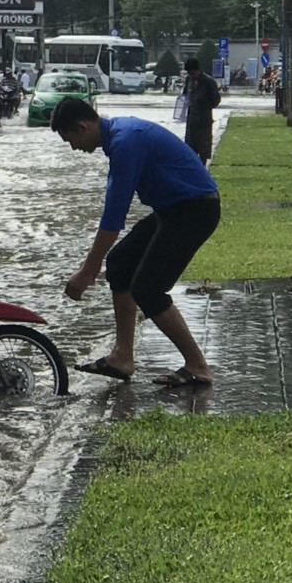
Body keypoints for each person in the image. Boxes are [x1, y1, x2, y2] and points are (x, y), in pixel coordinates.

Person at [51, 97, 220, 387]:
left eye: (71, 140)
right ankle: (122, 357)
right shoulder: (120, 134)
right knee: (120, 263)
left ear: (82, 127)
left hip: (194, 210)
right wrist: (94, 266)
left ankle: (198, 366)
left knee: (148, 289)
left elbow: (113, 217)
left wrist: (87, 271)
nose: (74, 148)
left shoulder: (125, 143)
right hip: (172, 210)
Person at [181, 58, 220, 165]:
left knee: (204, 150)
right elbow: (185, 96)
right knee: (189, 150)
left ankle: (202, 170)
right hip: (191, 121)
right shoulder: (189, 80)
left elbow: (216, 100)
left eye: (192, 73)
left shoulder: (209, 82)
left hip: (204, 121)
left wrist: (205, 105)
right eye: (189, 73)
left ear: (198, 70)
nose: (191, 75)